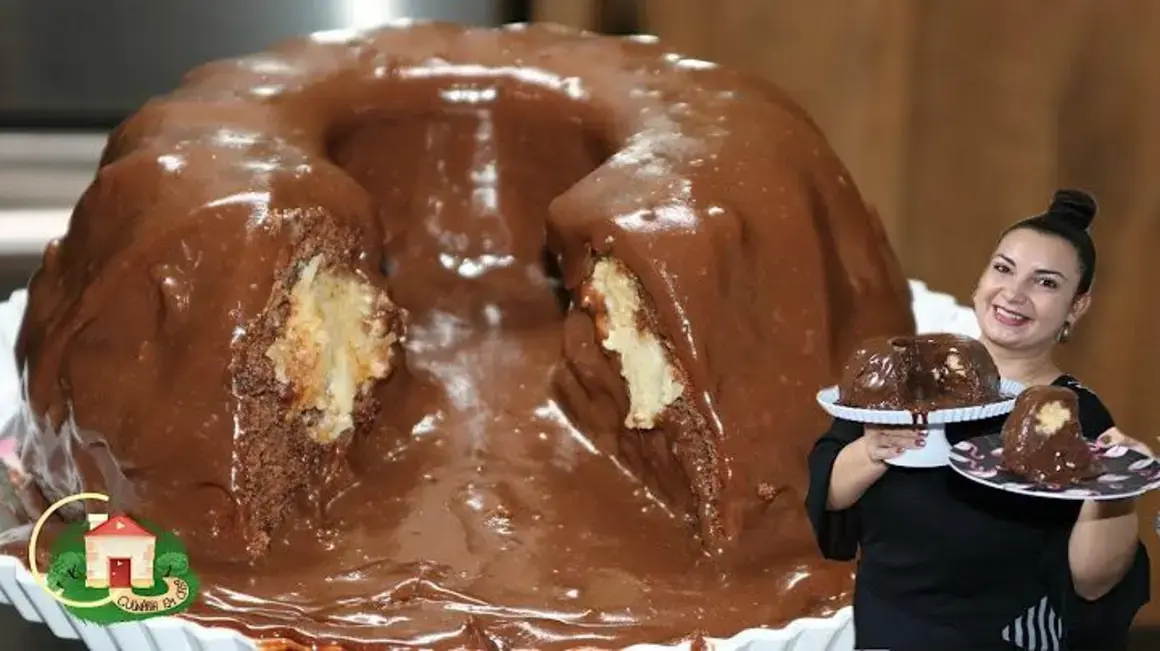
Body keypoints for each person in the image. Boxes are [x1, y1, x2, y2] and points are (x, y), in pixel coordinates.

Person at [805, 189, 1151, 651]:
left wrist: (1116, 491)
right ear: (981, 279)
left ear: (1077, 306)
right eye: (1003, 269)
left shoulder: (1070, 414)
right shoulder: (909, 374)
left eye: (1045, 283)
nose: (1014, 293)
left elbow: (1092, 585)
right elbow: (824, 498)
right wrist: (873, 449)